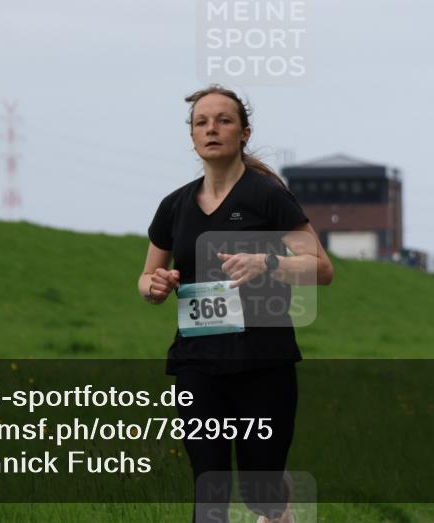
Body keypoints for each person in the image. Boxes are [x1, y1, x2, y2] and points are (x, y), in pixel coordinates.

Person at [138, 85, 335, 523]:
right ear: (191, 136)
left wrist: (267, 263)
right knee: (209, 488)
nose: (212, 129)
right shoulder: (174, 206)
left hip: (263, 362)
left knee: (260, 493)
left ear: (244, 133)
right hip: (197, 363)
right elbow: (146, 276)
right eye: (201, 122)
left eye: (223, 120)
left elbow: (321, 269)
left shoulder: (267, 197)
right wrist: (155, 286)